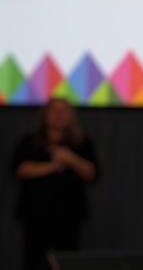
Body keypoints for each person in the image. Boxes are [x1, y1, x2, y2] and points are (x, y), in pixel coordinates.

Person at [11, 98, 99, 270]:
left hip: (69, 215)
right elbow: (18, 169)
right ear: (45, 114)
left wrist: (71, 158)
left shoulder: (81, 142)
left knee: (65, 261)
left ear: (72, 116)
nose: (59, 114)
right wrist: (52, 166)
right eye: (54, 110)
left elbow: (92, 174)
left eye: (64, 110)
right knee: (34, 260)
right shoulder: (30, 141)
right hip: (35, 213)